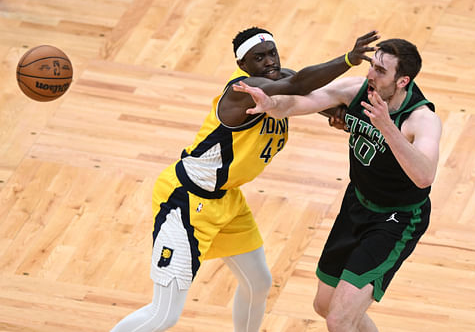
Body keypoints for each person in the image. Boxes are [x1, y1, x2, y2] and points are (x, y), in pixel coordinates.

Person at [110, 27, 379, 332]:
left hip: (227, 199)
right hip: (187, 200)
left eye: (272, 53)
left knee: (258, 283)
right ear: (243, 66)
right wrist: (349, 59)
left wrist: (341, 117)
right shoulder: (242, 92)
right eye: (258, 58)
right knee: (165, 314)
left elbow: (319, 98)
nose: (269, 62)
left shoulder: (283, 80)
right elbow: (300, 83)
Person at [233, 38, 442, 332]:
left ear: (402, 80)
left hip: (397, 219)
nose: (371, 75)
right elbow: (302, 102)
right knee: (325, 305)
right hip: (357, 203)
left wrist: (387, 127)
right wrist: (272, 104)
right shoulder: (357, 90)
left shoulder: (422, 120)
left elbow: (424, 175)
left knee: (340, 320)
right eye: (373, 66)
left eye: (381, 71)